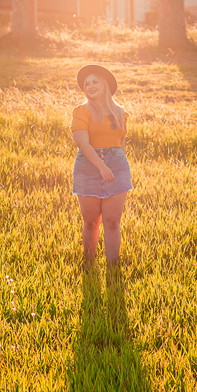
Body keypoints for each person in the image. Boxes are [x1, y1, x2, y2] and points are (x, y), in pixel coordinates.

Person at [70, 64, 132, 270]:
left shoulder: (120, 112)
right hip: (89, 167)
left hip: (117, 165)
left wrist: (118, 165)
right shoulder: (82, 110)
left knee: (112, 221)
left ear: (104, 84)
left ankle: (113, 268)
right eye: (87, 84)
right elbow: (83, 143)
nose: (90, 86)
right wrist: (102, 166)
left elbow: (121, 142)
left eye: (95, 82)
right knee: (91, 222)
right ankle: (89, 265)